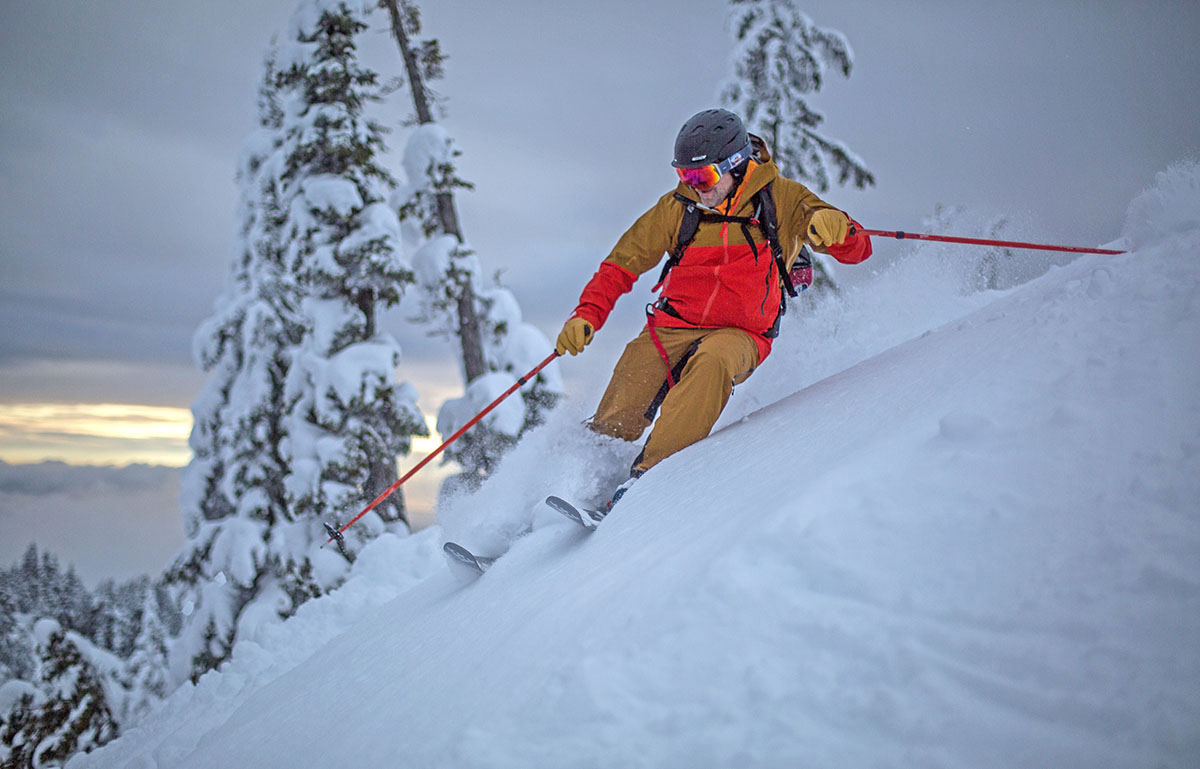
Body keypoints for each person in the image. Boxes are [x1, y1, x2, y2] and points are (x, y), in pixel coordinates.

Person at [555, 108, 872, 510]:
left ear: (735, 165)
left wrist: (838, 229)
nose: (695, 187)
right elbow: (621, 264)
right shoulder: (678, 208)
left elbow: (859, 248)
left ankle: (647, 483)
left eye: (702, 177)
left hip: (743, 333)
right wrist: (586, 314)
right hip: (674, 324)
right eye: (685, 176)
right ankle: (582, 478)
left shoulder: (783, 199)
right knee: (635, 370)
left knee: (713, 362)